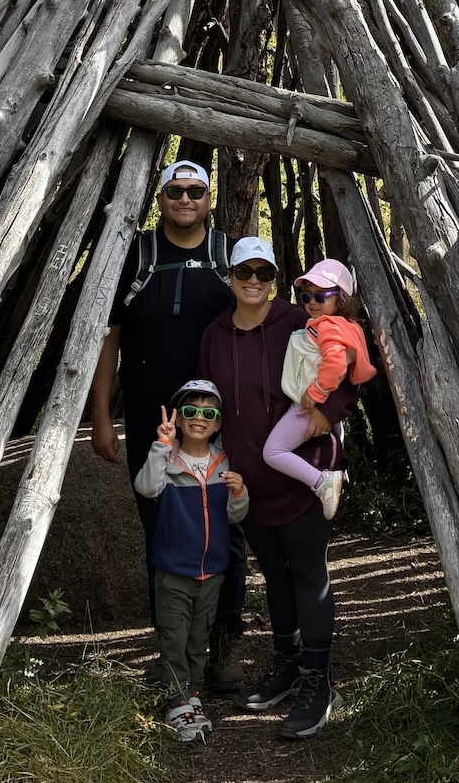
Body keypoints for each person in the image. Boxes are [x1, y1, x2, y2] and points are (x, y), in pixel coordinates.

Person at [89, 159, 247, 689]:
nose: (185, 199)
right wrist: (101, 415)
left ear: (209, 198)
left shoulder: (229, 257)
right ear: (159, 199)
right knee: (160, 529)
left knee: (226, 531)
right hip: (151, 422)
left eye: (195, 191)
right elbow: (109, 338)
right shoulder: (136, 256)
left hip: (218, 423)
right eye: (175, 191)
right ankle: (172, 652)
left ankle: (224, 645)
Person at [197, 238, 362, 740]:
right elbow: (207, 401)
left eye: (264, 272)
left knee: (308, 574)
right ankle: (288, 664)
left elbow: (349, 371)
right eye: (244, 271)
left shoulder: (298, 319)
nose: (254, 280)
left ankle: (318, 680)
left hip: (303, 472)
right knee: (274, 575)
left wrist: (329, 412)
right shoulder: (214, 335)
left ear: (274, 279)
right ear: (229, 276)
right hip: (249, 479)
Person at [134, 380, 249, 741]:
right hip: (173, 573)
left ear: (218, 423)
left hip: (212, 573)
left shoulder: (223, 462)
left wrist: (239, 493)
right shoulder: (167, 460)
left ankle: (192, 693)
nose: (199, 418)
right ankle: (177, 700)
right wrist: (161, 445)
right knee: (174, 638)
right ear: (180, 420)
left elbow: (234, 516)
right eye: (190, 411)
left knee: (199, 639)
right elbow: (146, 488)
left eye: (208, 413)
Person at [264, 259, 375, 520]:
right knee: (335, 437)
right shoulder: (350, 327)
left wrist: (315, 395)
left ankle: (321, 482)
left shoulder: (327, 326)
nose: (312, 302)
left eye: (321, 296)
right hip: (326, 408)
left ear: (341, 298)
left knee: (273, 452)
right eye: (306, 296)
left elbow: (335, 363)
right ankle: (338, 470)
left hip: (306, 405)